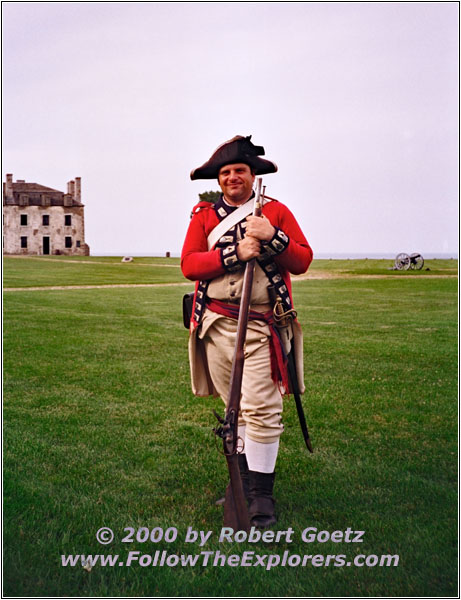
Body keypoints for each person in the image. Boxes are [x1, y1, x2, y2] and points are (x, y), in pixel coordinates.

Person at [181, 135, 313, 527]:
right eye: (226, 173)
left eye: (240, 170)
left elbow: (302, 260)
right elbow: (190, 265)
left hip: (261, 324)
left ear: (252, 175)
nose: (233, 177)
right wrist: (234, 254)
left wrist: (271, 236)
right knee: (234, 410)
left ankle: (261, 498)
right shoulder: (204, 215)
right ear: (219, 180)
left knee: (263, 410)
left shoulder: (277, 211)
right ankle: (240, 488)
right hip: (217, 325)